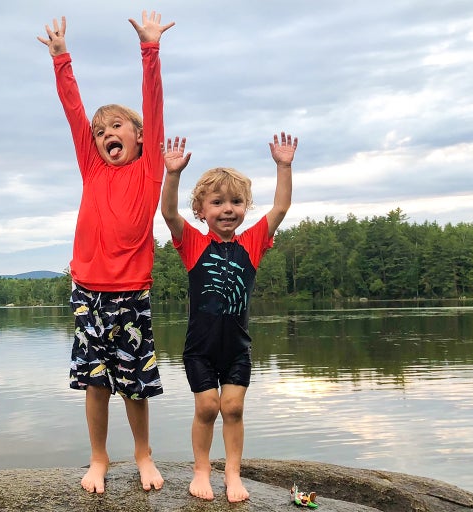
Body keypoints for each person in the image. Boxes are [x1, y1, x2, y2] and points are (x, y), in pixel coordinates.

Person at [37, 11, 174, 494]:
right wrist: (61, 58)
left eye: (116, 126)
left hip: (131, 293)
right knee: (96, 383)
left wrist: (150, 50)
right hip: (89, 293)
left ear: (138, 136)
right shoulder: (92, 170)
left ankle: (144, 455)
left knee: (135, 384)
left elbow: (152, 106)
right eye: (100, 132)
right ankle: (99, 458)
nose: (105, 134)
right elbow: (74, 110)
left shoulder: (149, 171)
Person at [160, 133, 298, 502]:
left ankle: (233, 473)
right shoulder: (192, 244)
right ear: (202, 210)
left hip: (237, 347)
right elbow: (169, 213)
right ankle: (202, 469)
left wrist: (283, 167)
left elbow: (281, 209)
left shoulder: (251, 244)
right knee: (207, 407)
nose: (227, 209)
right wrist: (171, 174)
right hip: (199, 348)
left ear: (245, 208)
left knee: (233, 408)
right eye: (217, 202)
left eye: (236, 202)